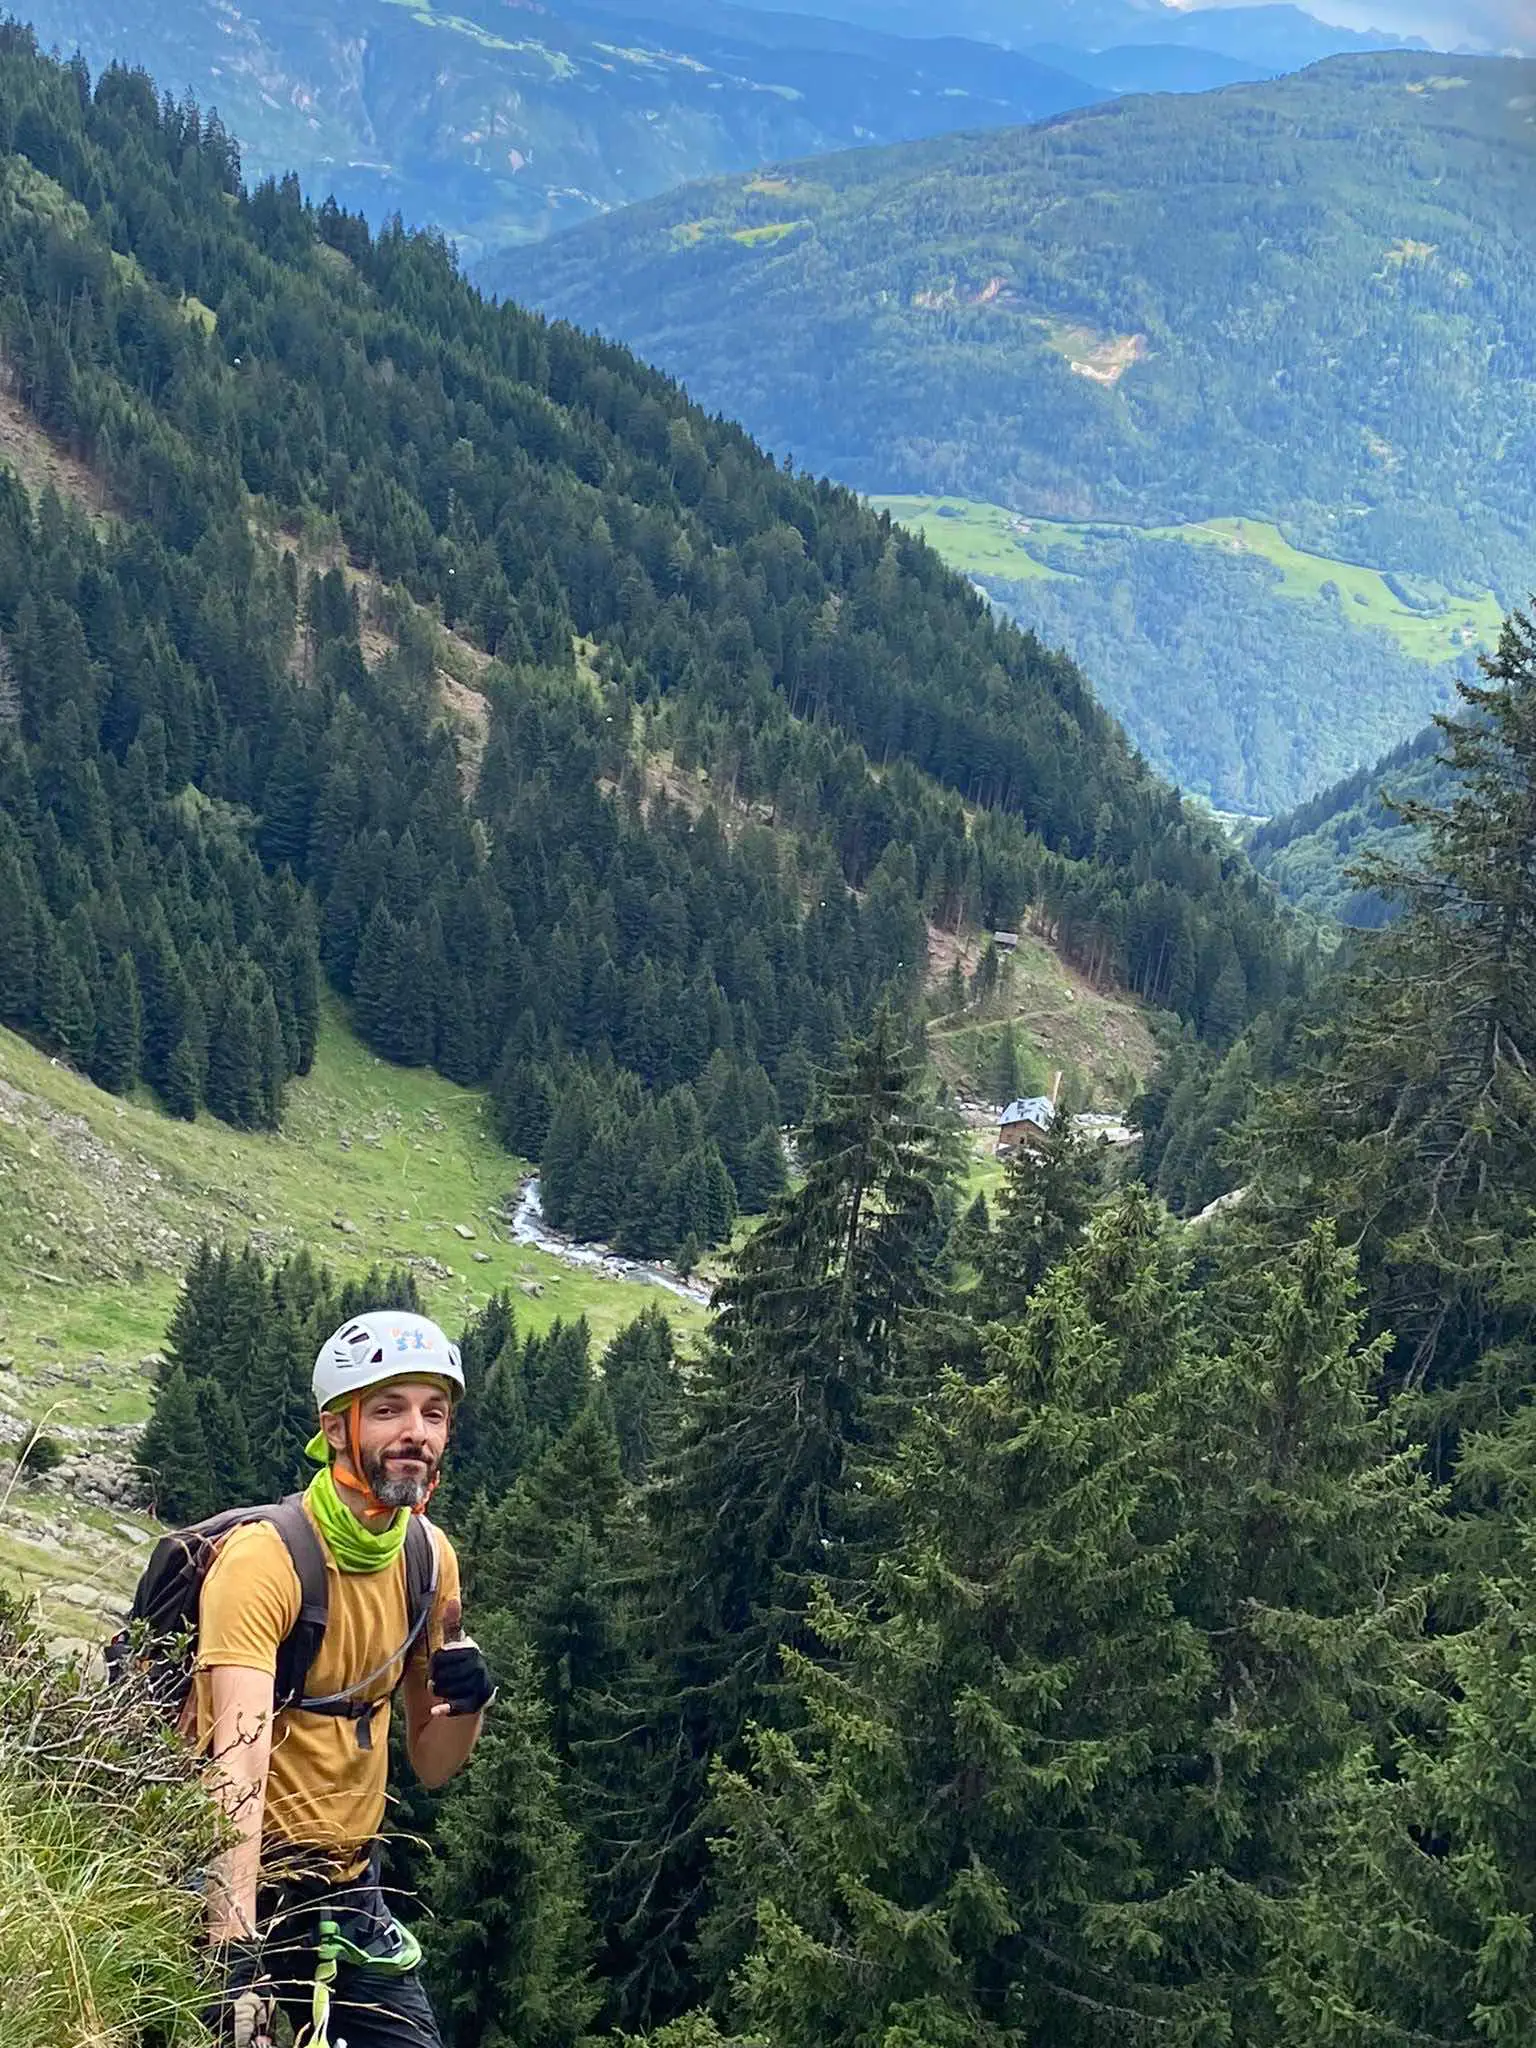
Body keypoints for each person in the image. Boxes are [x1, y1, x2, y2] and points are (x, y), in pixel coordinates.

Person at [197, 1310, 495, 2047]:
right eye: (389, 1410)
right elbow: (236, 1766)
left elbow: (433, 1764)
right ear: (336, 1428)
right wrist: (231, 1948)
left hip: (351, 1891)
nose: (417, 1434)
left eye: (434, 1413)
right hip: (239, 1885)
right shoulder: (265, 1561)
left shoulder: (428, 1557)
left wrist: (470, 1704)